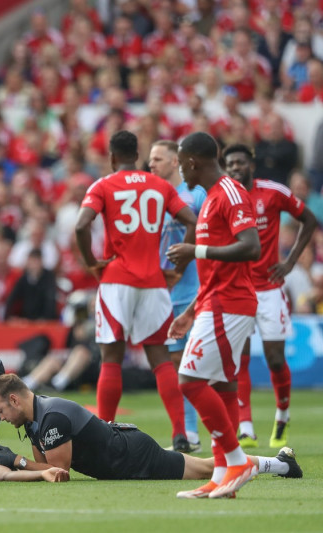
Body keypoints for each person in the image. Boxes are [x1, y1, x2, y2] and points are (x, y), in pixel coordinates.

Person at [74, 130, 197, 451]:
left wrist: (91, 263)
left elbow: (80, 224)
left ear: (113, 157)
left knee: (111, 358)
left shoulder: (102, 185)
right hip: (153, 280)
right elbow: (192, 220)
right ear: (138, 153)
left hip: (117, 280)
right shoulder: (160, 185)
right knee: (161, 359)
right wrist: (180, 267)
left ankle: (103, 437)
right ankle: (181, 433)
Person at [0, 374, 302, 493]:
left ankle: (281, 464)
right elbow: (47, 470)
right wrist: (25, 464)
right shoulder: (34, 418)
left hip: (134, 458)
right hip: (126, 452)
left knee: (209, 470)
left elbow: (58, 472)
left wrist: (16, 462)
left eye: (1, 411)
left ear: (14, 399)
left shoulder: (51, 417)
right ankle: (282, 463)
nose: (1, 418)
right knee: (208, 467)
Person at [165, 131, 262, 499]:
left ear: (192, 162)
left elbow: (251, 247)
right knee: (221, 388)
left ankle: (238, 459)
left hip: (231, 304)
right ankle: (223, 475)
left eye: (179, 161)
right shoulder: (210, 198)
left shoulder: (231, 193)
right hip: (213, 302)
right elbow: (215, 267)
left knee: (189, 380)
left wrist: (196, 250)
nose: (179, 169)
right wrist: (191, 310)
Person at [223, 144, 317, 448]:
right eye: (230, 164)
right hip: (238, 289)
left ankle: (282, 414)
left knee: (276, 359)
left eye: (239, 162)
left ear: (251, 164)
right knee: (240, 359)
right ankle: (246, 426)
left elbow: (310, 220)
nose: (235, 168)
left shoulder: (273, 192)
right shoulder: (224, 197)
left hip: (270, 290)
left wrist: (289, 262)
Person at [149, 140, 208, 453]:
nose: (152, 163)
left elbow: (206, 230)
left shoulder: (195, 193)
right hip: (162, 292)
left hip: (193, 289)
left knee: (194, 363)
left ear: (175, 161)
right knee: (174, 360)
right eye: (150, 159)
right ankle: (188, 434)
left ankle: (208, 430)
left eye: (158, 158)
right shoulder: (152, 196)